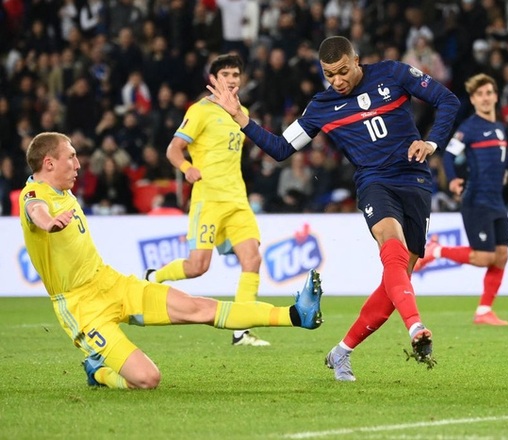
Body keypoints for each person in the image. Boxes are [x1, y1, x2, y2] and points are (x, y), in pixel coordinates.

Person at [206, 36, 460, 380]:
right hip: (374, 182)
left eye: (343, 72)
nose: (337, 81)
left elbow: (447, 100)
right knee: (392, 245)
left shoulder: (394, 73)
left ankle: (341, 352)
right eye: (329, 75)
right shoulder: (322, 106)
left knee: (396, 277)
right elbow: (281, 148)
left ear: (357, 61)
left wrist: (430, 141)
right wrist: (240, 117)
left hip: (415, 180)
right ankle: (416, 327)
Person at [18, 132, 323, 389]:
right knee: (148, 379)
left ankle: (296, 314)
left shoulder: (65, 193)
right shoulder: (34, 193)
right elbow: (36, 209)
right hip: (80, 306)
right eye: (71, 157)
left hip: (110, 282)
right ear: (49, 163)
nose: (78, 164)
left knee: (198, 308)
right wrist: (48, 222)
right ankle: (97, 371)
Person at [144, 55, 270, 347]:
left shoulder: (241, 112)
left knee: (252, 258)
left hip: (237, 200)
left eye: (236, 74)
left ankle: (241, 330)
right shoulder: (199, 111)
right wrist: (188, 169)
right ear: (213, 79)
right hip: (208, 200)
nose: (231, 79)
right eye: (225, 73)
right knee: (198, 266)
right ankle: (155, 276)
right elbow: (173, 149)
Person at [414, 73, 508, 325]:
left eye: (489, 93)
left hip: (496, 200)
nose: (485, 98)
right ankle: (436, 250)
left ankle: (484, 311)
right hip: (476, 199)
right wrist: (453, 178)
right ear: (474, 100)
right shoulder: (469, 128)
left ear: (496, 97)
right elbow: (447, 157)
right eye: (480, 94)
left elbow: (505, 159)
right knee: (485, 256)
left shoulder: (500, 129)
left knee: (501, 255)